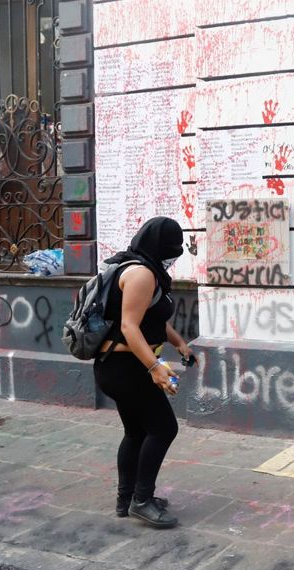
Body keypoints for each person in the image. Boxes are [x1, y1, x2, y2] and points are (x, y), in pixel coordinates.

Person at [94, 216, 194, 529]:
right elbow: (128, 325)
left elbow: (151, 319)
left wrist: (179, 343)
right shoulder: (141, 274)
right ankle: (142, 500)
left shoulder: (137, 267)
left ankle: (126, 499)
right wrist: (155, 367)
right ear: (158, 246)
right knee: (164, 428)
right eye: (171, 249)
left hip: (121, 366)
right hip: (128, 368)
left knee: (137, 432)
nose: (173, 255)